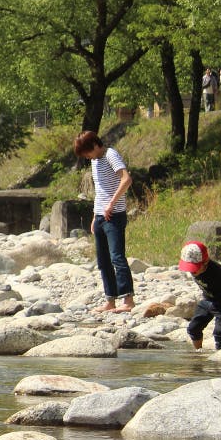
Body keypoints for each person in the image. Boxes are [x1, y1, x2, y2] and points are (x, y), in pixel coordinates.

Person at [74, 130, 134, 313]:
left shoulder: (110, 155)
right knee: (103, 260)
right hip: (100, 215)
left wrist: (111, 204)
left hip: (114, 215)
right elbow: (100, 190)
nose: (87, 156)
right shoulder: (94, 161)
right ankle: (110, 300)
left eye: (87, 152)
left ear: (95, 145)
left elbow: (126, 179)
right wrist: (94, 216)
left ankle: (128, 301)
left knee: (117, 257)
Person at [178, 240, 221, 351]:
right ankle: (198, 354)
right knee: (193, 328)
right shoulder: (196, 270)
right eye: (189, 268)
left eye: (194, 269)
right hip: (207, 300)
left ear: (205, 262)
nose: (192, 272)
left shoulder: (217, 271)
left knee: (219, 333)